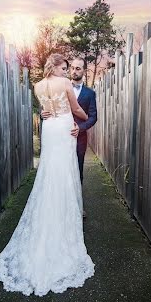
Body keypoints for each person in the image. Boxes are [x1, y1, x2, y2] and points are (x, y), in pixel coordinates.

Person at [0, 53, 95, 296]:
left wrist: (46, 112)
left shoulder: (37, 85)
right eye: (64, 67)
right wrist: (83, 117)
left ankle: (51, 209)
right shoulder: (65, 83)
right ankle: (62, 214)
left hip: (49, 127)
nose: (67, 71)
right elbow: (76, 107)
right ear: (56, 65)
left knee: (49, 170)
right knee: (64, 172)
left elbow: (43, 109)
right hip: (64, 127)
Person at [41, 57, 97, 217]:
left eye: (78, 68)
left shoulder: (90, 94)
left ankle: (77, 206)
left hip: (78, 139)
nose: (74, 71)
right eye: (72, 68)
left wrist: (81, 127)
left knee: (76, 170)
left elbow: (93, 116)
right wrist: (42, 113)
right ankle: (58, 205)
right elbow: (48, 106)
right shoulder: (59, 87)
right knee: (59, 169)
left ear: (84, 71)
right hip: (58, 137)